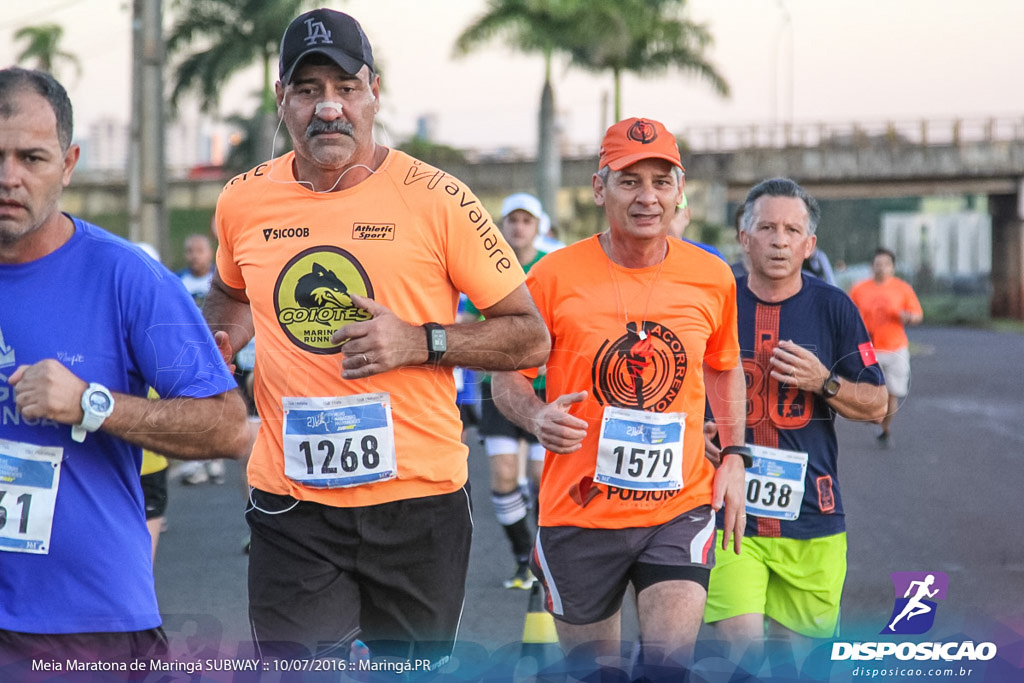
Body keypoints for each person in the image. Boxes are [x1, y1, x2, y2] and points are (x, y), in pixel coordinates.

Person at [202, 8, 549, 667]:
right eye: (307, 91)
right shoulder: (242, 200)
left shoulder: (438, 197)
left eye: (345, 88)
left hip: (418, 504)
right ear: (282, 100)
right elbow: (230, 290)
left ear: (374, 94)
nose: (327, 109)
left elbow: (528, 337)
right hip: (292, 501)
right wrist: (216, 337)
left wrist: (419, 342)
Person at [0, 67, 249, 670]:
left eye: (31, 157)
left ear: (69, 163)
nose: (8, 177)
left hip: (85, 624)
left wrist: (92, 402)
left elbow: (226, 425)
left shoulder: (126, 278)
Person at [492, 117, 749, 677]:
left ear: (680, 192)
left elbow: (726, 370)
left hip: (677, 508)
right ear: (598, 188)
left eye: (661, 181)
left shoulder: (712, 277)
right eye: (629, 181)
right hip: (578, 511)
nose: (647, 197)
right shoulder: (552, 277)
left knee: (667, 668)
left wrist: (733, 456)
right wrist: (536, 417)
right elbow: (506, 377)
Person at [703, 178, 888, 672]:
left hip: (812, 517)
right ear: (743, 237)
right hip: (728, 515)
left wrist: (824, 381)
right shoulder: (712, 301)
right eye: (766, 227)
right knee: (744, 657)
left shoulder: (834, 308)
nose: (779, 240)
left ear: (809, 245)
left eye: (792, 230)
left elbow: (879, 404)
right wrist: (693, 430)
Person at [463, 192, 550, 591]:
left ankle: (546, 555)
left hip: (545, 392)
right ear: (502, 225)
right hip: (495, 388)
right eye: (512, 220)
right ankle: (523, 558)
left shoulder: (551, 267)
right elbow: (463, 326)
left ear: (539, 226)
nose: (519, 227)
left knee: (538, 479)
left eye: (526, 221)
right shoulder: (481, 268)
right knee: (502, 476)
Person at [849, 247, 923, 448]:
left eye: (885, 264)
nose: (881, 268)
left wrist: (907, 317)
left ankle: (885, 428)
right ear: (872, 266)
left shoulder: (902, 289)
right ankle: (872, 414)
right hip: (867, 347)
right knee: (867, 388)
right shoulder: (859, 289)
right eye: (877, 264)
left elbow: (917, 314)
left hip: (895, 348)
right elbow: (848, 314)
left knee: (893, 392)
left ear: (892, 267)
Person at [175, 232, 226, 485]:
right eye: (190, 251)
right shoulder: (178, 281)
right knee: (191, 403)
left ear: (210, 253)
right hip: (189, 353)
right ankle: (193, 460)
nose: (195, 256)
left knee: (216, 402)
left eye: (200, 251)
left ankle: (215, 456)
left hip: (216, 351)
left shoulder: (220, 279)